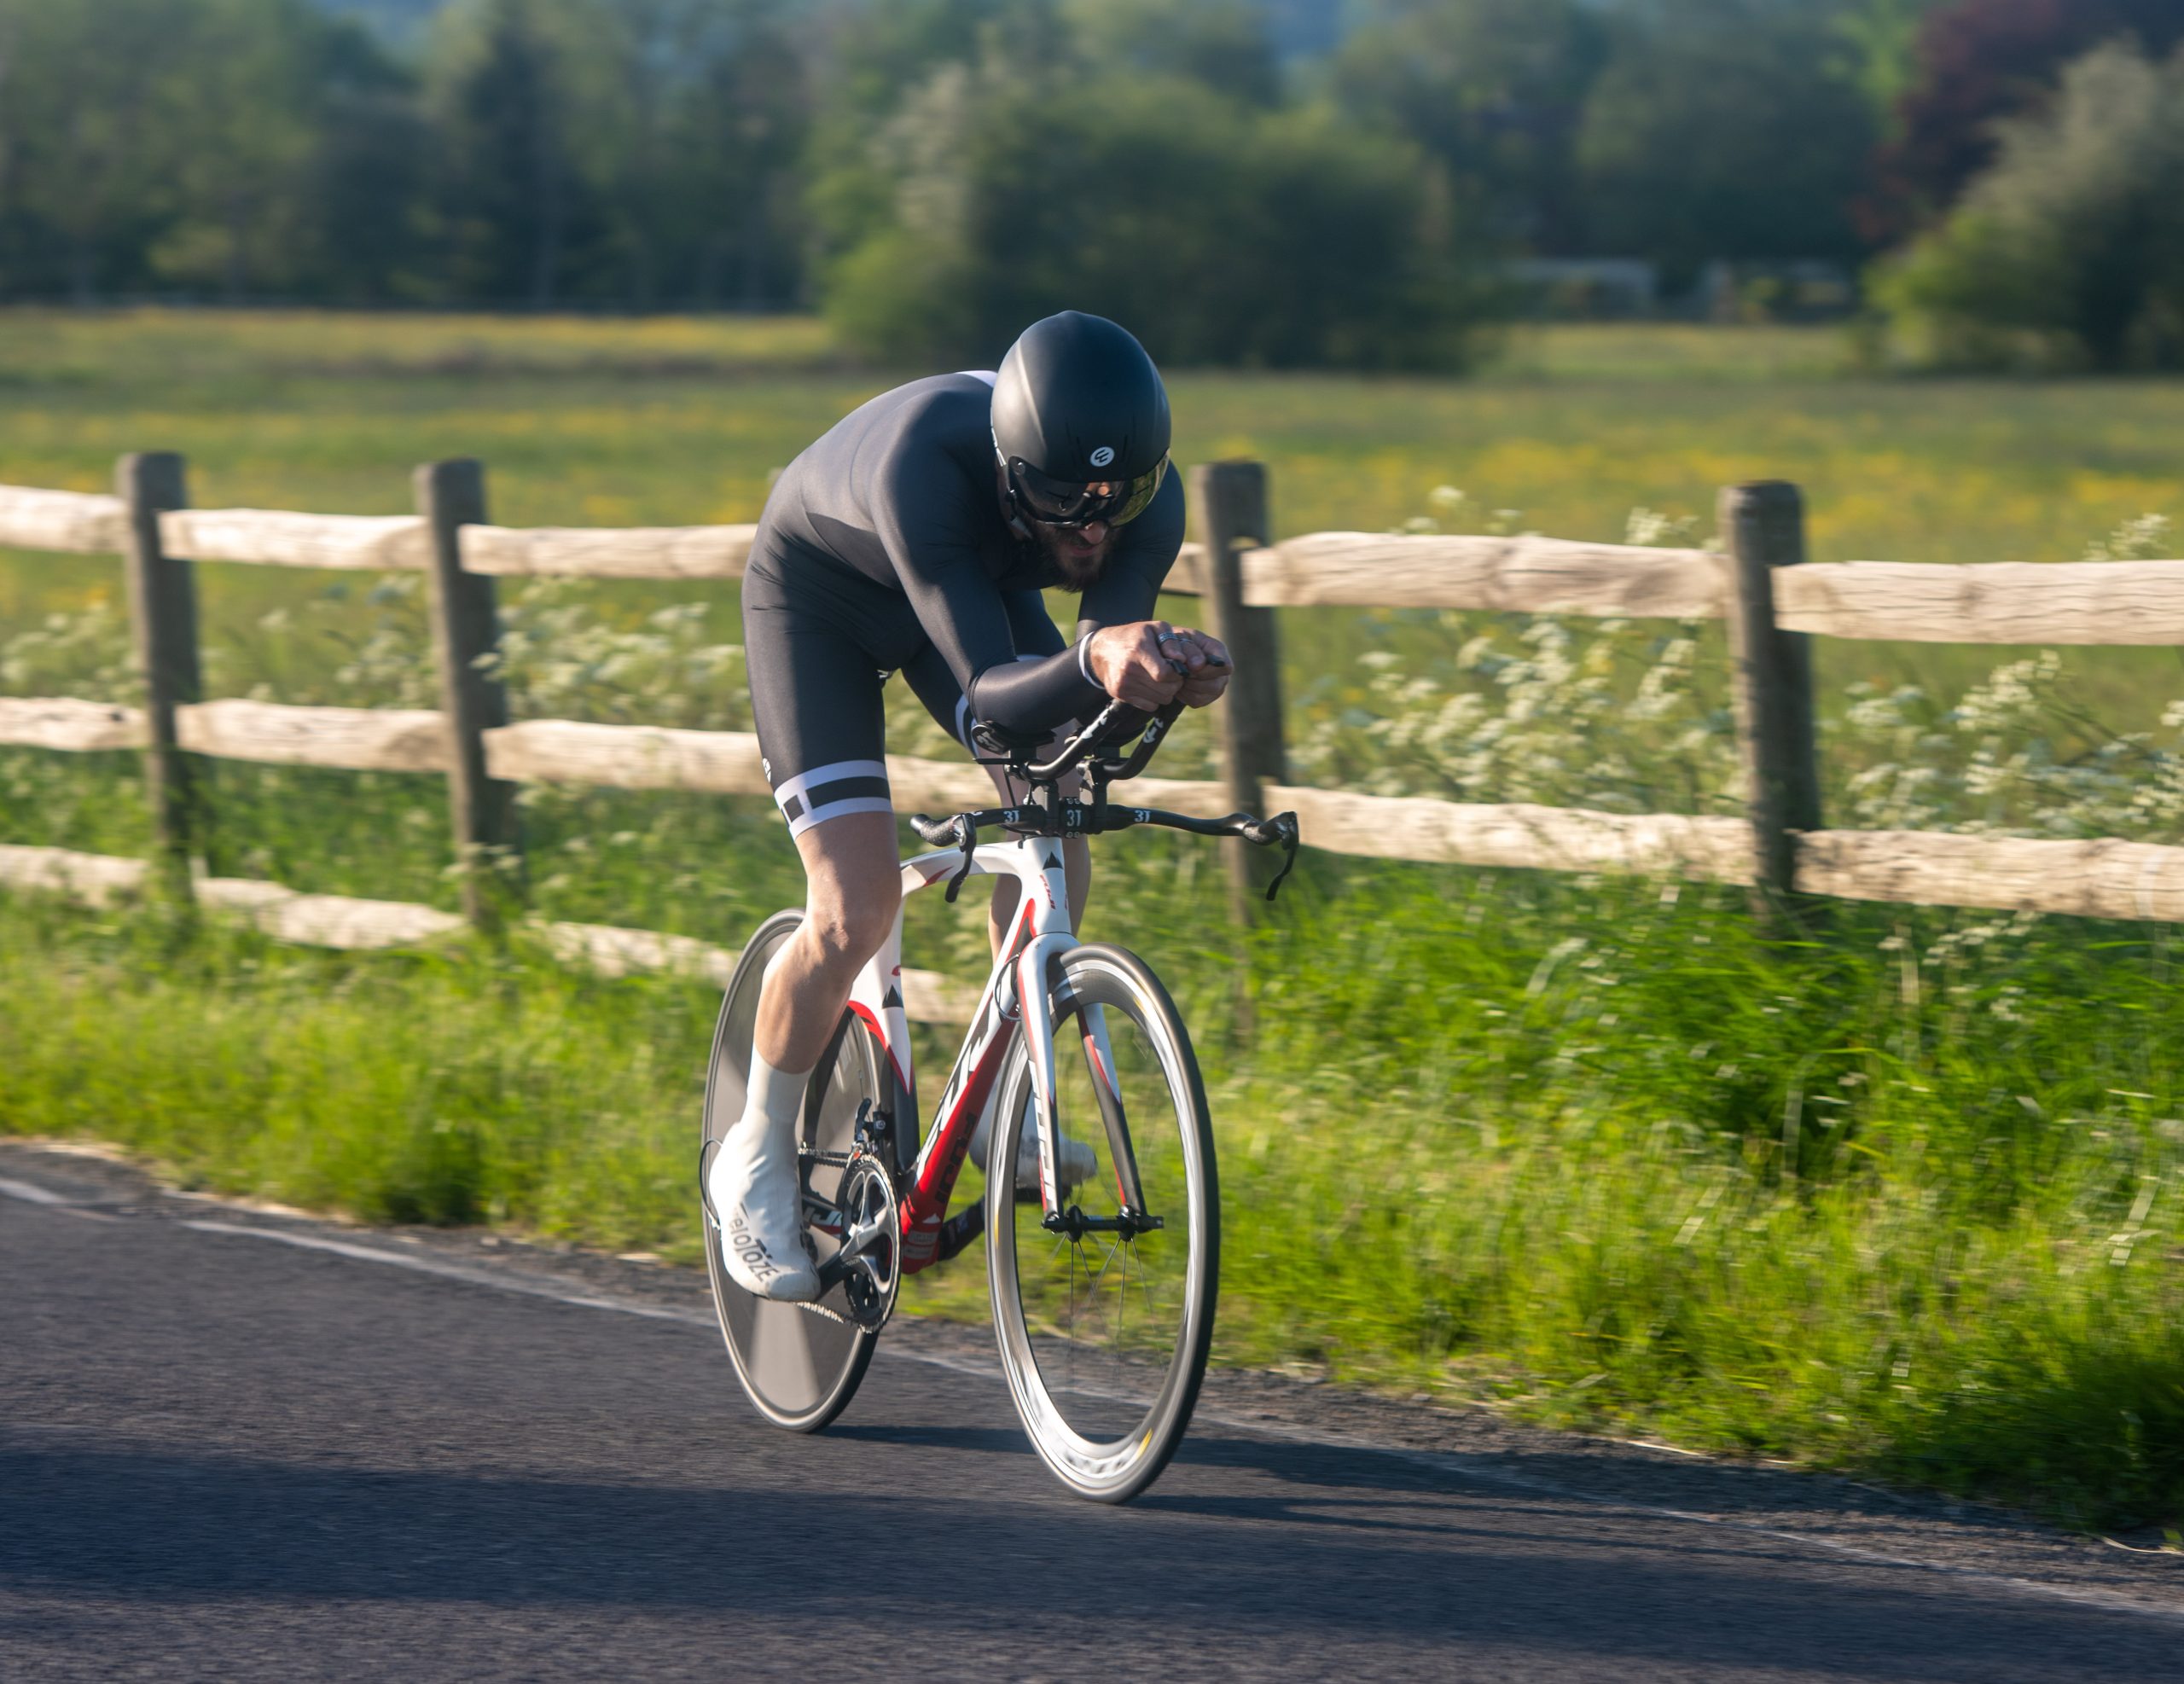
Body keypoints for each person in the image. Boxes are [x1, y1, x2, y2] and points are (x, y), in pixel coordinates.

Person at [709, 311, 1232, 1303]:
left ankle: (997, 1104)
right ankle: (755, 1153)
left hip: (962, 592)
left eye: (1116, 503)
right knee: (854, 906)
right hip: (820, 603)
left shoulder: (1137, 502)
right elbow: (996, 692)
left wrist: (1164, 677)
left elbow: (1088, 704)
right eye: (1061, 501)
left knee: (1059, 805)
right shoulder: (925, 467)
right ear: (1006, 471)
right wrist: (1099, 656)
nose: (1092, 528)